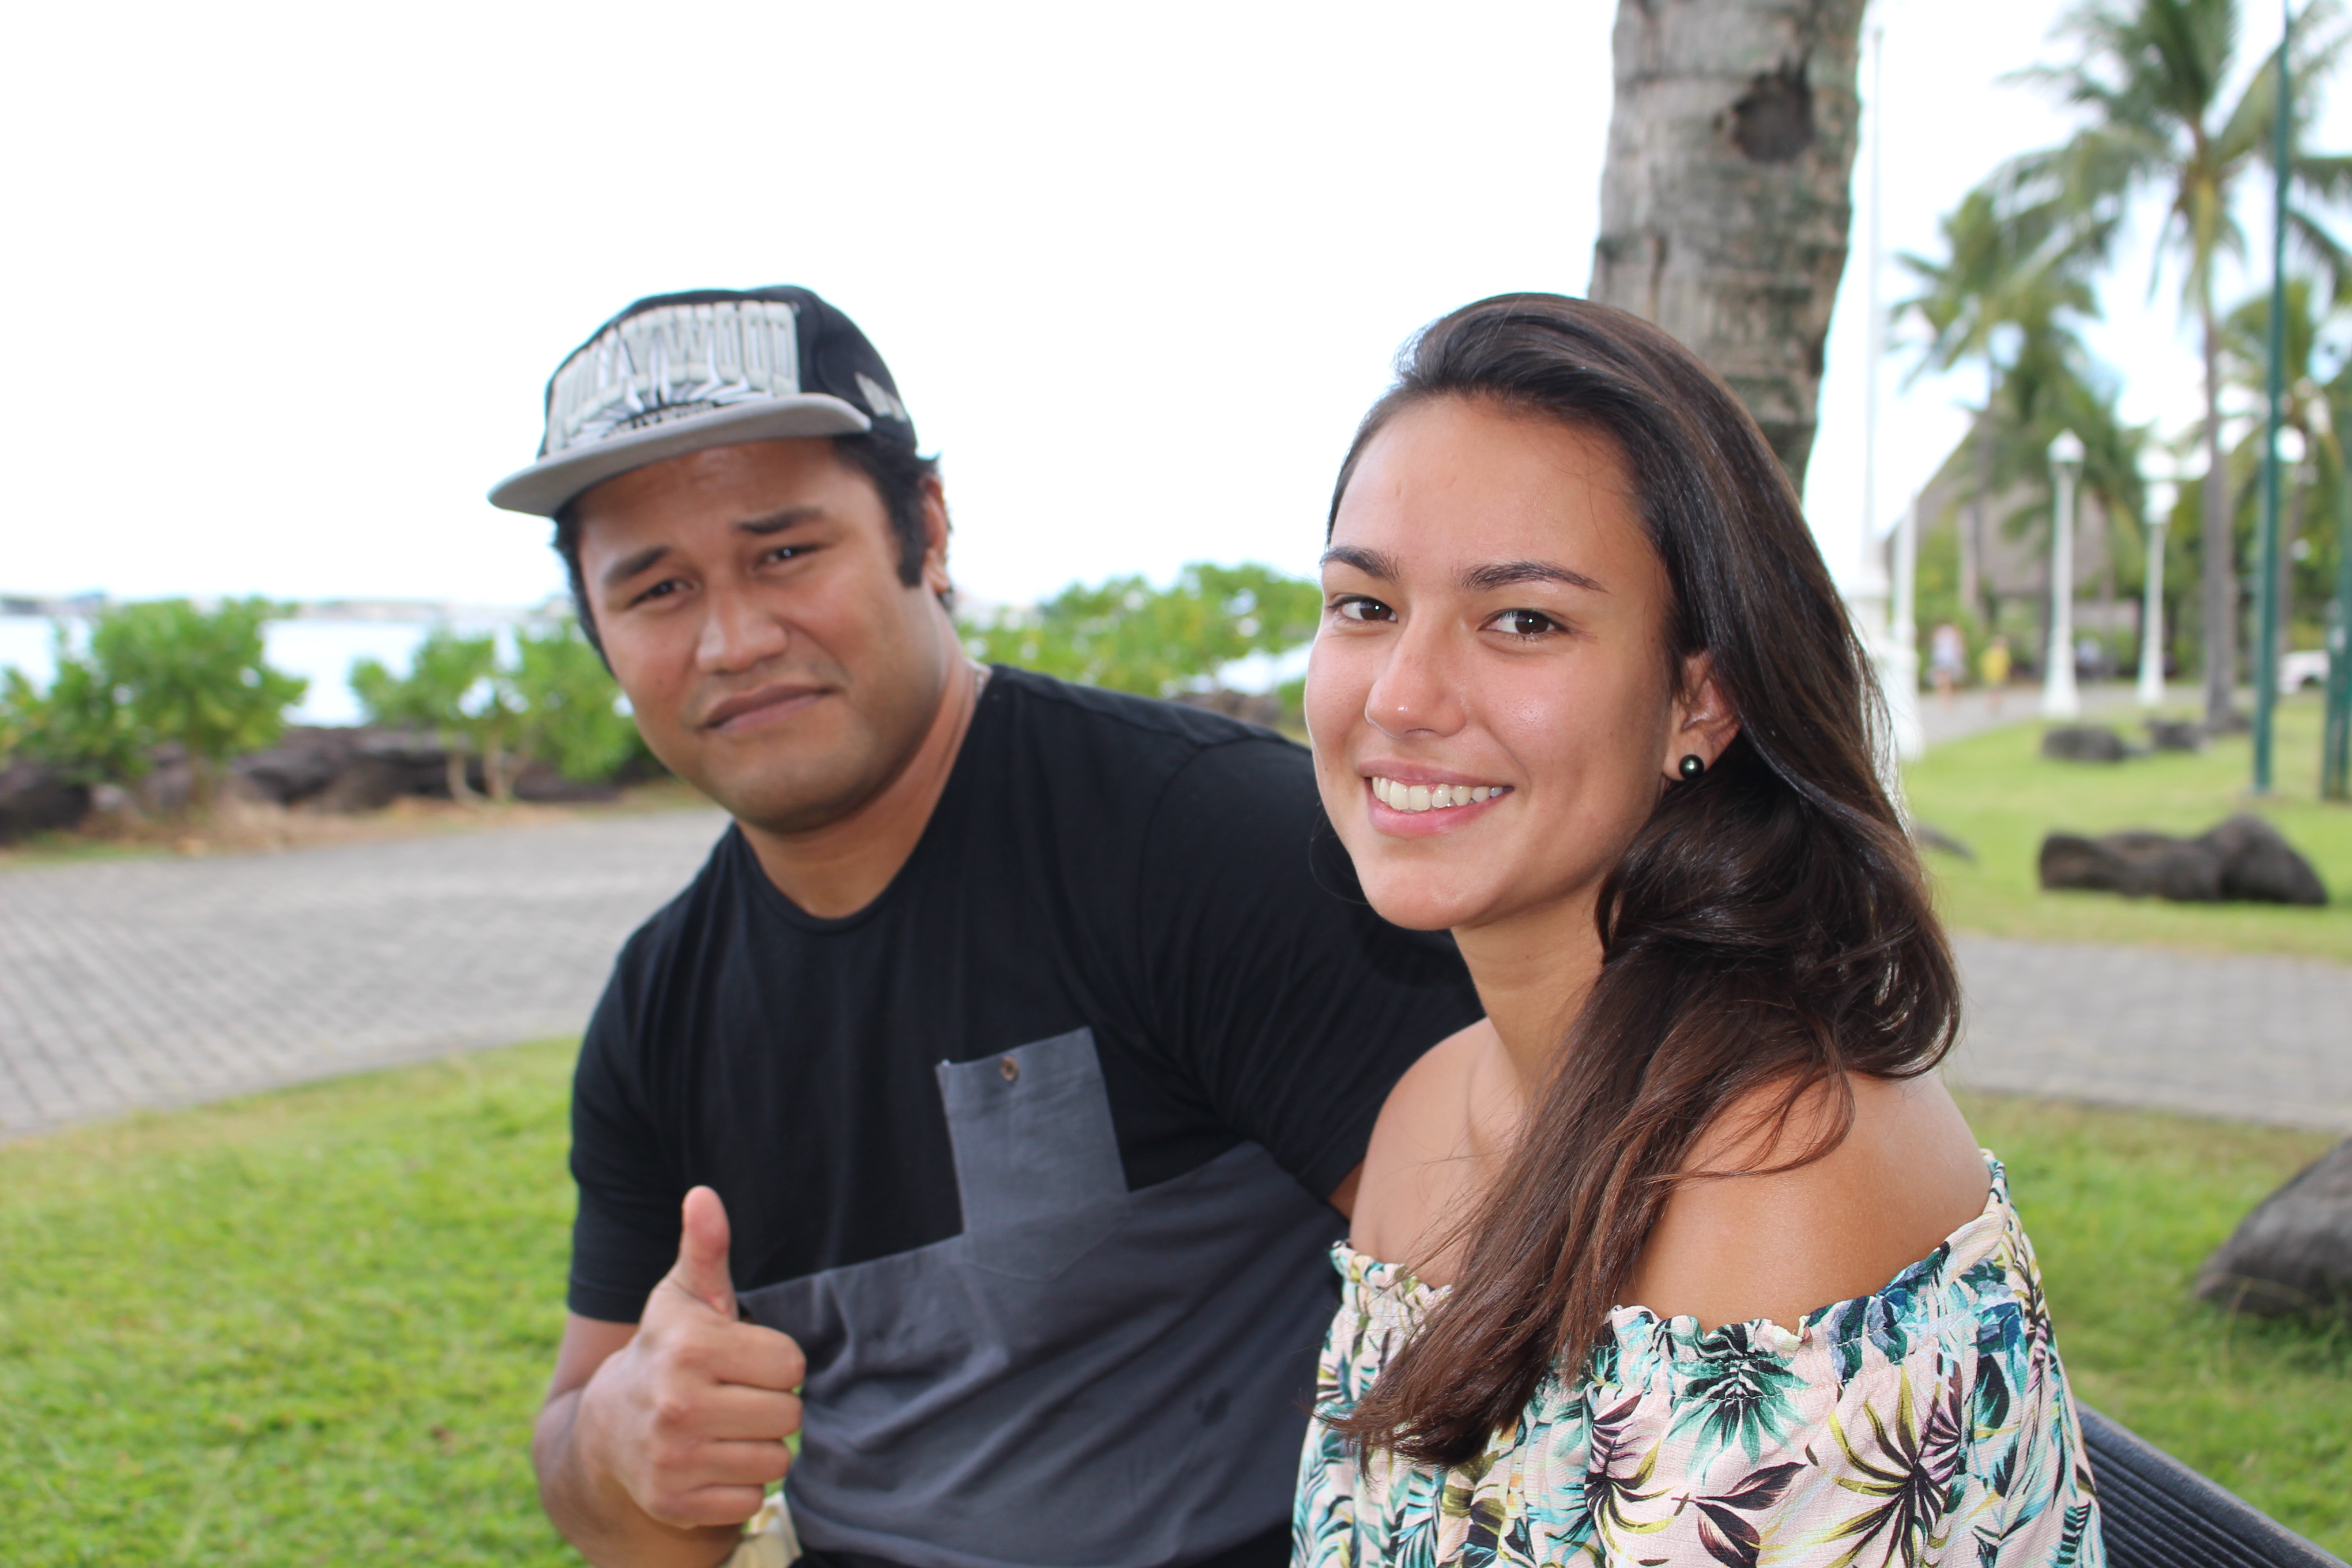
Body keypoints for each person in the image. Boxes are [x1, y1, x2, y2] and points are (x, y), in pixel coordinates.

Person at [485, 286, 1482, 1568]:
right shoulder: (658, 1003)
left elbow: (1528, 1314)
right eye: (658, 588)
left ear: (929, 528)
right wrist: (622, 1443)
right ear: (598, 629)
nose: (733, 638)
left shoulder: (1210, 846)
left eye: (786, 551)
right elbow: (612, 1501)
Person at [1290, 296, 2102, 1567]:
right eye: (1364, 604)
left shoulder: (1778, 1182)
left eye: (1524, 619)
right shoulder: (1425, 1113)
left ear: (1701, 696)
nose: (1400, 695)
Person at [1930, 620, 1966, 704]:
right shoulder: (1953, 632)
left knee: (1944, 681)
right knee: (1947, 681)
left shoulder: (1939, 633)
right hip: (1948, 659)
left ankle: (1944, 699)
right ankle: (1947, 699)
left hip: (1943, 659)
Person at [1982, 634, 2014, 715]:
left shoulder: (1989, 652)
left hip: (1992, 675)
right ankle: (1995, 704)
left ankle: (1993, 703)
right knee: (1998, 690)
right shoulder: (2003, 653)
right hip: (1998, 675)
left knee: (1993, 690)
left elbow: (1984, 663)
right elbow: (2007, 665)